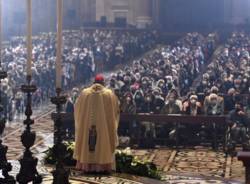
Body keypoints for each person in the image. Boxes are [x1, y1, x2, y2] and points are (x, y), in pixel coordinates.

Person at [73, 74, 120, 174]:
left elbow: (77, 109)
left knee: (87, 142)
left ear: (94, 82)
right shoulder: (109, 94)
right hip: (103, 129)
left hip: (86, 127)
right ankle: (101, 167)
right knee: (103, 143)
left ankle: (87, 166)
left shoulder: (85, 93)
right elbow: (115, 111)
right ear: (103, 83)